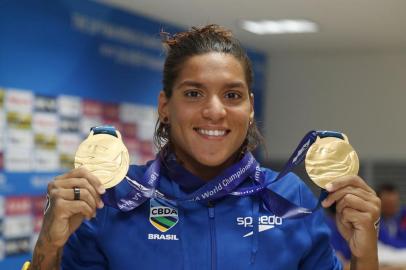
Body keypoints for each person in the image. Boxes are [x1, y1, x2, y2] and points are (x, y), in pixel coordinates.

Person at [28, 24, 380, 270]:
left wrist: (365, 256)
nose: (214, 110)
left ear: (250, 106)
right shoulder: (114, 198)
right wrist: (49, 245)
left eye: (232, 95)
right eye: (194, 93)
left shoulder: (291, 196)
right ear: (165, 106)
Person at [377, 183, 406, 248]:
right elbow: (385, 241)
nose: (392, 207)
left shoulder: (403, 215)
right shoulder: (374, 221)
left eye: (394, 203)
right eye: (388, 204)